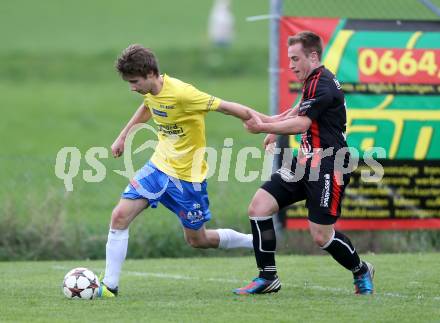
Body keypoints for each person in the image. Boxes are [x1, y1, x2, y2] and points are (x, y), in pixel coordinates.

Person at [98, 44, 257, 298]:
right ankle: (109, 286)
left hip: (187, 178)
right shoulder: (149, 91)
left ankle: (256, 242)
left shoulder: (184, 94)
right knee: (119, 216)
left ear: (151, 73)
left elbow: (224, 106)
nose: (132, 87)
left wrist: (257, 120)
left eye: (135, 81)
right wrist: (123, 136)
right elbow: (148, 106)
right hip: (158, 168)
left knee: (198, 240)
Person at [234, 31, 374, 295]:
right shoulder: (313, 80)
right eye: (289, 59)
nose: (291, 64)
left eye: (295, 58)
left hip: (329, 167)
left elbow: (302, 123)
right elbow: (298, 109)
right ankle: (267, 277)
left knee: (321, 236)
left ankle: (361, 269)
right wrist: (273, 128)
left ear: (312, 56)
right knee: (259, 206)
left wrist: (263, 125)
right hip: (304, 164)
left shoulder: (323, 84)